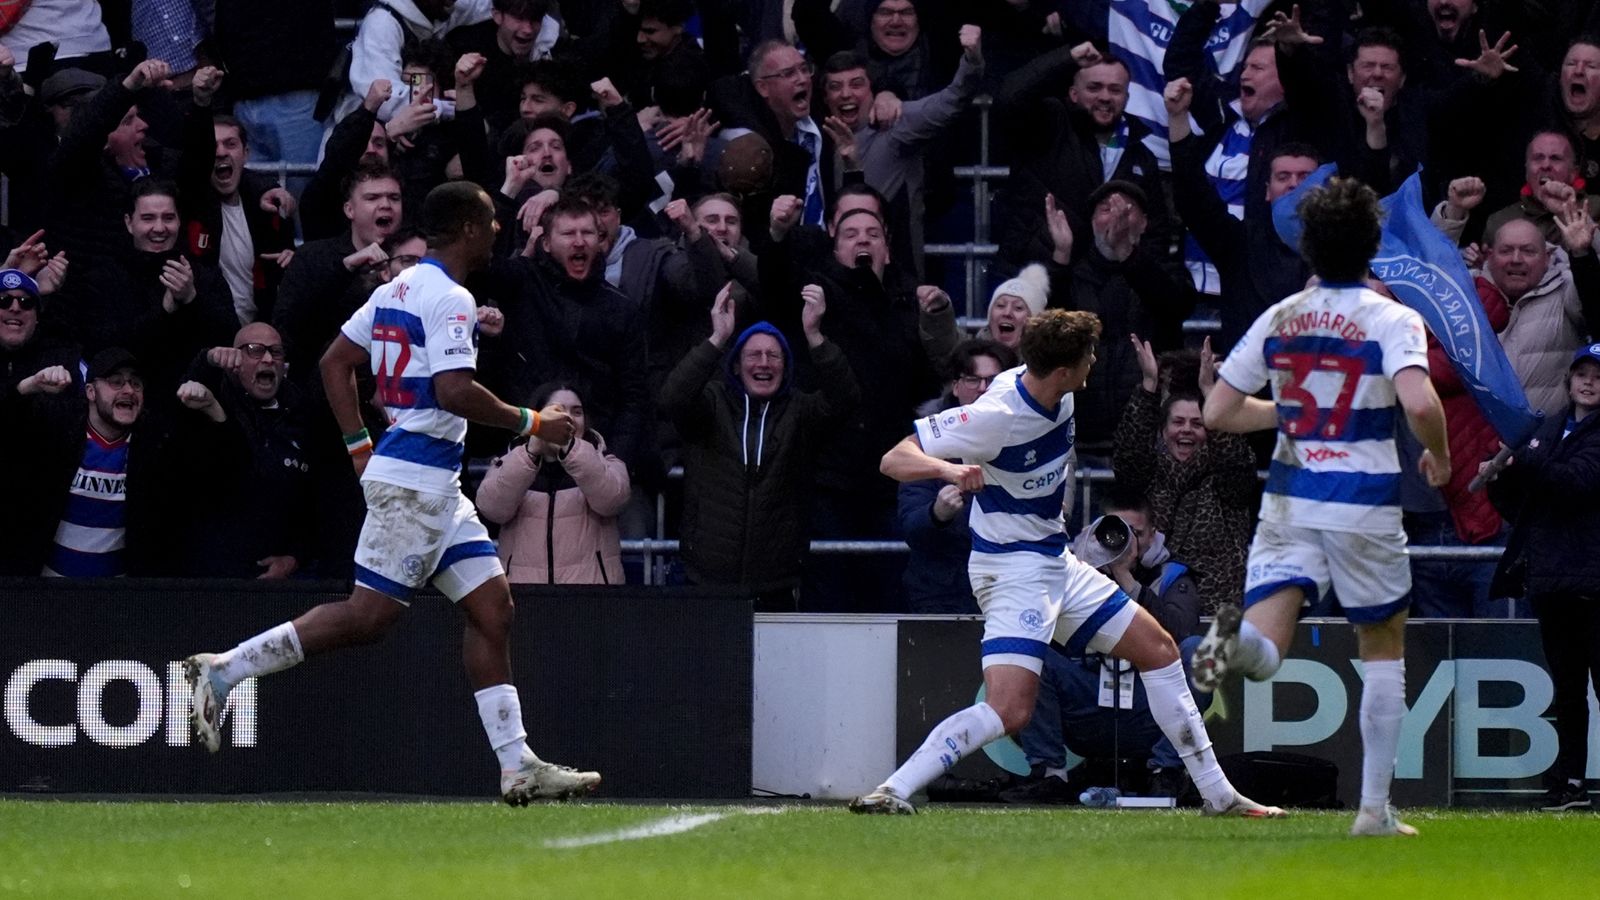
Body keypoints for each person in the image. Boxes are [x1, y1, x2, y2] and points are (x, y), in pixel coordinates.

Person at [183, 182, 601, 806]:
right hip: (416, 484)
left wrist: (358, 444)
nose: (496, 232)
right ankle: (225, 670)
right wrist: (533, 423)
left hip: (433, 483)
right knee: (367, 618)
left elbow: (333, 362)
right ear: (466, 227)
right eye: (490, 221)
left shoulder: (395, 288)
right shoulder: (453, 297)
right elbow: (456, 391)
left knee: (494, 610)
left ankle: (518, 766)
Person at [853, 308, 1282, 819]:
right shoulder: (997, 415)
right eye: (1089, 357)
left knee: (1161, 650)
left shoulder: (1060, 388)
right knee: (1012, 709)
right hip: (1011, 571)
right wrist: (949, 468)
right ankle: (893, 788)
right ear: (1064, 369)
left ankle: (1218, 796)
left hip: (1055, 560)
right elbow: (893, 458)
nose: (1095, 363)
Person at [1194, 177, 1452, 837]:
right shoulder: (1391, 318)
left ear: (1307, 248)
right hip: (1363, 502)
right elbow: (1420, 404)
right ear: (1373, 246)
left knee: (1267, 644)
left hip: (1289, 496)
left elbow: (1217, 411)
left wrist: (1287, 415)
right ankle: (1373, 812)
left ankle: (1232, 641)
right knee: (1383, 646)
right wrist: (1441, 457)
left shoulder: (1281, 316)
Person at [1008, 487, 1209, 804]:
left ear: (1153, 534)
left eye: (1136, 533)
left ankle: (1165, 773)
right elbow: (1033, 617)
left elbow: (1181, 633)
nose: (1126, 541)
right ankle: (1049, 775)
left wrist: (1126, 578)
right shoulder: (1073, 570)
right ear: (1098, 530)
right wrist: (1078, 566)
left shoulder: (1170, 574)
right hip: (1086, 702)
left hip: (1150, 706)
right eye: (1118, 531)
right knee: (1028, 648)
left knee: (1199, 651)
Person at [1485, 344, 1600, 812]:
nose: (1589, 383)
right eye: (1582, 374)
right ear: (1569, 379)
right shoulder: (1549, 428)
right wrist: (1501, 479)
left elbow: (1577, 481)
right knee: (1567, 689)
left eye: (1598, 376)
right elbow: (1521, 506)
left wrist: (1523, 460)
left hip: (1593, 579)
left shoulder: (1548, 437)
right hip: (1553, 579)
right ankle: (1569, 782)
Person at [1113, 337, 1257, 614]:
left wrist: (1210, 391)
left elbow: (1236, 463)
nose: (1186, 430)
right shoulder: (1149, 476)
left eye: (1197, 423)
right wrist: (1149, 386)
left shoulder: (1226, 478)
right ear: (1164, 430)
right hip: (1152, 612)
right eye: (1178, 422)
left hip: (1214, 615)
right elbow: (1129, 457)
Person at [164, 323, 314, 579]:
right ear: (235, 359)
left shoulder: (303, 414)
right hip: (210, 578)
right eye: (255, 350)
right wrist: (207, 361)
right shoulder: (212, 402)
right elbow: (178, 415)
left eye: (275, 351)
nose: (267, 358)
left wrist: (296, 557)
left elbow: (318, 500)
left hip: (279, 582)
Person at [898, 339, 1016, 615]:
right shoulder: (929, 441)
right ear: (956, 385)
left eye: (994, 380)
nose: (985, 389)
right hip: (942, 594)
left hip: (1010, 591)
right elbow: (910, 527)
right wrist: (936, 514)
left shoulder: (1029, 436)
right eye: (974, 379)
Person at [476, 381, 631, 585]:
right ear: (536, 416)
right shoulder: (511, 461)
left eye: (577, 412)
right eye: (557, 411)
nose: (567, 419)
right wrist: (530, 452)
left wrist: (570, 448)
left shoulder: (607, 463)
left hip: (591, 599)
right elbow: (492, 509)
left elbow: (612, 500)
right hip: (526, 597)